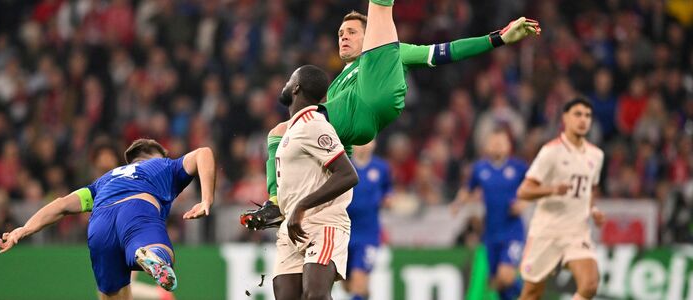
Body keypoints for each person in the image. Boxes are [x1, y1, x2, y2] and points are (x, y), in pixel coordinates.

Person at [242, 7, 541, 230]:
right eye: (340, 34)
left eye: (351, 32)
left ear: (368, 35)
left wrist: (498, 38)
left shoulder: (392, 52)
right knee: (277, 133)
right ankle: (276, 203)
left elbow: (447, 52)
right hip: (360, 122)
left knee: (380, 9)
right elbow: (334, 142)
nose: (343, 37)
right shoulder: (337, 84)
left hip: (379, 93)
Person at [0, 139, 216, 299]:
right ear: (155, 155)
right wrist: (206, 199)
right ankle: (151, 254)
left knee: (112, 296)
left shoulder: (103, 181)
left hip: (100, 221)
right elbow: (203, 153)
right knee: (163, 256)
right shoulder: (163, 166)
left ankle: (143, 256)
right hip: (137, 209)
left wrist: (24, 229)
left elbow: (61, 204)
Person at [272, 64, 359, 300]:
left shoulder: (314, 123)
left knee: (315, 297)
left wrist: (301, 206)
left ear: (296, 87)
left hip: (323, 223)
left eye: (289, 80)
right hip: (292, 227)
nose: (285, 84)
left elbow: (348, 174)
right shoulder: (294, 128)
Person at [516, 98, 606, 300]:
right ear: (565, 118)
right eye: (578, 114)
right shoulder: (551, 152)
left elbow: (589, 190)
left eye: (587, 115)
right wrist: (552, 189)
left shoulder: (596, 155)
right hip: (547, 231)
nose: (583, 120)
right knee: (531, 294)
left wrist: (593, 210)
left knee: (590, 284)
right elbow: (523, 191)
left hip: (576, 232)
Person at [451, 129, 528, 300]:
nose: (497, 145)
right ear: (486, 146)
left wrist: (524, 203)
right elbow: (468, 189)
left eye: (501, 142)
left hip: (512, 231)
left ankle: (530, 295)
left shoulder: (519, 167)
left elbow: (534, 187)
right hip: (491, 234)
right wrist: (458, 203)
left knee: (505, 276)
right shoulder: (480, 169)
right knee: (497, 283)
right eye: (494, 142)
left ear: (509, 146)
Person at [343, 140, 391, 300]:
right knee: (347, 285)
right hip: (344, 232)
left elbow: (387, 190)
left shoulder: (381, 168)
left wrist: (388, 200)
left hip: (368, 234)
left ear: (375, 144)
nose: (365, 144)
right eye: (361, 141)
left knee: (359, 279)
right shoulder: (343, 165)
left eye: (369, 140)